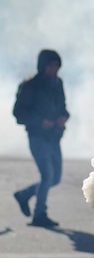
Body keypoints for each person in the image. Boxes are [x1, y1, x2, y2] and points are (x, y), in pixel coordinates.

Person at [12, 49, 70, 228]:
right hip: (37, 136)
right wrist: (40, 122)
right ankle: (40, 214)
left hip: (54, 137)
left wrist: (64, 117)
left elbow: (62, 106)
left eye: (56, 66)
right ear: (42, 66)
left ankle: (24, 195)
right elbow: (18, 113)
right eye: (50, 65)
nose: (53, 69)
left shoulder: (57, 83)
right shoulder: (30, 85)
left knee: (55, 178)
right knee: (47, 176)